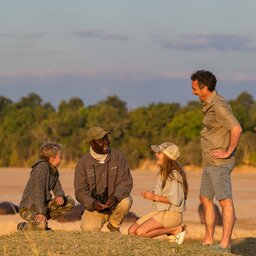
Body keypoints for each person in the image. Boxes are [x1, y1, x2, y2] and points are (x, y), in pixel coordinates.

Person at [191, 70, 242, 253]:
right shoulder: (209, 105)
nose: (193, 92)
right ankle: (208, 240)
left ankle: (224, 245)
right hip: (209, 163)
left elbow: (236, 128)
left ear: (204, 88)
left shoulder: (219, 106)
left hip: (219, 164)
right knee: (205, 198)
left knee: (225, 202)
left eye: (195, 88)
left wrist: (228, 151)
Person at [74, 126, 133, 232]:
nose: (106, 142)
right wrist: (92, 203)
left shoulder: (118, 156)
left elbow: (126, 182)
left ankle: (114, 225)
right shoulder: (83, 163)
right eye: (102, 140)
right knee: (88, 230)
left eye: (106, 138)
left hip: (115, 204)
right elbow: (80, 192)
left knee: (126, 201)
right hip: (94, 208)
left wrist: (115, 197)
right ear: (91, 144)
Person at [128, 142, 188, 245]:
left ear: (167, 156)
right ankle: (172, 231)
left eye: (159, 153)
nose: (156, 155)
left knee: (140, 233)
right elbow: (161, 194)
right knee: (131, 231)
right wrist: (151, 195)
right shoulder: (162, 173)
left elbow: (175, 201)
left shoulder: (174, 175)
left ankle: (174, 230)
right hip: (160, 211)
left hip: (172, 215)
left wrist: (154, 196)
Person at [18, 142, 75, 231]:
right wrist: (41, 212)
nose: (61, 160)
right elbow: (38, 192)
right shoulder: (41, 169)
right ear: (52, 159)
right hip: (29, 207)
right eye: (60, 157)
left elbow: (57, 187)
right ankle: (24, 226)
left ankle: (40, 222)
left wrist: (60, 196)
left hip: (43, 205)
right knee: (41, 225)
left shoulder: (53, 170)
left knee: (69, 202)